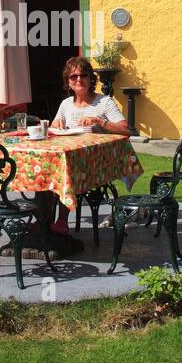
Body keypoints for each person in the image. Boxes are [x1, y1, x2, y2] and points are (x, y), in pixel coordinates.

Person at [45, 57, 128, 235]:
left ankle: (61, 221)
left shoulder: (104, 102)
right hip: (71, 157)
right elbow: (52, 131)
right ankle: (43, 220)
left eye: (83, 75)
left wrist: (101, 121)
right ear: (68, 81)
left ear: (91, 79)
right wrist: (56, 124)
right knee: (45, 170)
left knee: (63, 170)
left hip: (96, 164)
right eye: (73, 76)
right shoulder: (66, 105)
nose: (78, 79)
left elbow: (125, 129)